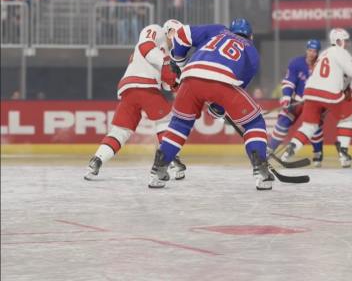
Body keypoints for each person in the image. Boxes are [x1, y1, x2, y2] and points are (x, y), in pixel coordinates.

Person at [149, 18, 274, 190]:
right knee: (254, 122)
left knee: (179, 124)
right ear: (250, 36)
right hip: (222, 81)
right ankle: (260, 168)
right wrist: (220, 107)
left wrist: (179, 62)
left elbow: (182, 33)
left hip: (190, 78)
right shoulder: (251, 51)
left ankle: (159, 169)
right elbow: (239, 84)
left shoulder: (217, 30)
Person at [85, 24, 183, 181]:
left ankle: (96, 161)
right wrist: (167, 64)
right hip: (146, 86)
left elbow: (167, 83)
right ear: (167, 29)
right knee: (165, 121)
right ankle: (171, 160)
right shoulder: (156, 31)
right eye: (174, 33)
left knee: (119, 132)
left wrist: (178, 81)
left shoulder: (169, 55)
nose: (176, 38)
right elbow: (145, 46)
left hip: (129, 89)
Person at [281, 28, 352, 168]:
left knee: (309, 126)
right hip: (330, 93)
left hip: (310, 92)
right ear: (338, 41)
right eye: (345, 41)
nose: (347, 44)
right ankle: (343, 152)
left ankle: (290, 150)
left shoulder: (322, 54)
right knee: (347, 119)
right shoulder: (341, 52)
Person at [267, 39, 325, 167]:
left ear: (318, 52)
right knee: (283, 122)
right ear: (306, 50)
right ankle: (269, 149)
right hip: (297, 100)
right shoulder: (296, 63)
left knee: (315, 127)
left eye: (314, 51)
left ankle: (318, 153)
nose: (312, 53)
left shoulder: (322, 65)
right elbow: (289, 81)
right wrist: (287, 96)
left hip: (313, 102)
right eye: (310, 50)